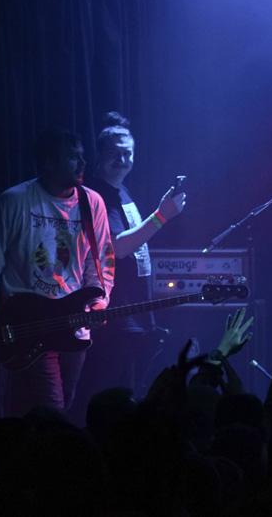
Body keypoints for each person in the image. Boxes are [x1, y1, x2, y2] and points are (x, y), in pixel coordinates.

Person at [0, 126, 115, 416]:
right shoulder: (14, 201)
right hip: (28, 317)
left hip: (74, 320)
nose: (83, 163)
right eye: (73, 156)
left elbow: (101, 261)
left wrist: (99, 301)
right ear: (49, 162)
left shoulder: (92, 203)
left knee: (66, 401)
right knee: (53, 405)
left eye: (82, 155)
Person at [74, 112, 186, 417]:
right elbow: (118, 248)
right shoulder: (96, 194)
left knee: (127, 398)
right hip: (113, 315)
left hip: (133, 313)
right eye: (115, 153)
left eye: (128, 153)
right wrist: (161, 216)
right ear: (98, 155)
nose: (122, 160)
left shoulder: (121, 191)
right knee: (109, 399)